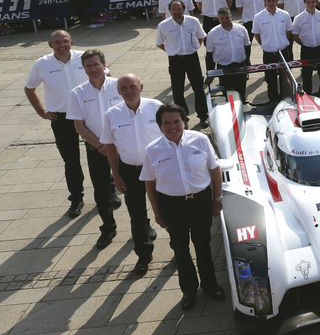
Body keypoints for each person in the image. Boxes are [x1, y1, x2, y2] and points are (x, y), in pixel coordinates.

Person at [141, 103, 225, 311]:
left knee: (203, 245)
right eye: (167, 123)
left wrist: (217, 198)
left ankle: (210, 284)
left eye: (177, 121)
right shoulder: (152, 150)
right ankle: (189, 290)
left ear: (184, 121)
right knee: (180, 249)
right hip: (172, 206)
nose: (172, 127)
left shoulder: (200, 140)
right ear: (160, 126)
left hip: (200, 202)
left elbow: (215, 170)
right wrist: (157, 212)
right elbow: (149, 183)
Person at [25, 30, 92, 218]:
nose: (62, 45)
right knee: (71, 161)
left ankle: (108, 191)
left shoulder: (84, 57)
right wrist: (42, 112)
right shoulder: (42, 64)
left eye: (65, 41)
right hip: (61, 119)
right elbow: (29, 88)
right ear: (50, 45)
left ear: (72, 41)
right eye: (57, 42)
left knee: (99, 154)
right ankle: (77, 198)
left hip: (88, 115)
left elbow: (106, 75)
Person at [102, 74, 161, 275]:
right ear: (118, 91)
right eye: (124, 87)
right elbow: (109, 146)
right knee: (136, 215)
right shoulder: (112, 114)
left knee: (169, 210)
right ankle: (144, 255)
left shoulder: (156, 107)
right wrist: (116, 175)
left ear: (141, 87)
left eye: (133, 86)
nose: (129, 90)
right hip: (130, 171)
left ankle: (178, 250)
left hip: (158, 169)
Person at [68, 49, 124, 249]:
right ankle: (108, 227)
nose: (93, 69)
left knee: (134, 190)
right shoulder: (77, 93)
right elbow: (79, 126)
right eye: (88, 66)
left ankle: (143, 225)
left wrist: (116, 146)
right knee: (101, 191)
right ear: (83, 69)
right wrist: (101, 146)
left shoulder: (120, 86)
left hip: (123, 149)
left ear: (104, 64)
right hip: (96, 150)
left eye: (96, 64)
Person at [156, 0, 209, 126]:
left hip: (192, 58)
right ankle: (183, 118)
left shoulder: (193, 21)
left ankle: (203, 116)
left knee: (198, 88)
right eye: (174, 10)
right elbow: (159, 43)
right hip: (175, 60)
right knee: (178, 91)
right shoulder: (164, 25)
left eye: (179, 9)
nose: (177, 12)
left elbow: (201, 36)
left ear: (184, 9)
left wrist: (194, 48)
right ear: (170, 11)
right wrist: (171, 51)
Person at [253, 0, 294, 104]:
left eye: (273, 1)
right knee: (270, 79)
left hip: (284, 51)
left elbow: (288, 31)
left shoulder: (284, 15)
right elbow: (257, 34)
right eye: (268, 1)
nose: (271, 3)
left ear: (277, 1)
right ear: (265, 1)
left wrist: (281, 42)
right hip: (268, 53)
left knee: (286, 78)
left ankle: (286, 99)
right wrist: (265, 44)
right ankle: (273, 101)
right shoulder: (258, 17)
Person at [194, 0, 234, 72]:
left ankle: (226, 69)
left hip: (223, 20)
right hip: (208, 20)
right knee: (209, 47)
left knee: (226, 44)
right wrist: (208, 12)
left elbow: (229, 1)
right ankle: (211, 72)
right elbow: (199, 4)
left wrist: (223, 14)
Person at [206, 7, 251, 101]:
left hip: (240, 67)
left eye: (227, 17)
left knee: (241, 94)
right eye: (222, 18)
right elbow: (210, 53)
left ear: (231, 16)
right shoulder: (212, 33)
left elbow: (247, 46)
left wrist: (247, 64)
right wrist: (210, 72)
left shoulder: (241, 29)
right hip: (224, 68)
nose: (225, 20)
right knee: (228, 95)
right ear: (218, 19)